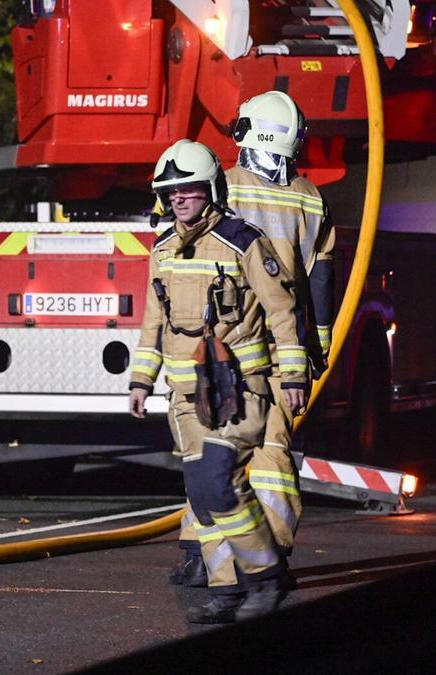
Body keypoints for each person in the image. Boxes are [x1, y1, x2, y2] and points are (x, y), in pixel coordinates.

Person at [128, 139, 308, 624]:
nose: (180, 199)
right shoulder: (163, 250)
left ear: (211, 190)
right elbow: (153, 321)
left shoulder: (244, 241)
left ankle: (264, 577)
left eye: (189, 189)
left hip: (240, 390)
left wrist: (291, 375)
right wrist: (141, 380)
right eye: (172, 192)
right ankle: (227, 590)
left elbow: (281, 310)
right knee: (203, 496)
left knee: (218, 482)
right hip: (186, 398)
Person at [172, 91, 336, 587]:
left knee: (213, 446)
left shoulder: (219, 187)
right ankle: (266, 558)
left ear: (248, 134)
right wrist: (317, 346)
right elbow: (320, 279)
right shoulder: (310, 197)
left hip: (217, 344)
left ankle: (198, 555)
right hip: (276, 346)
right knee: (270, 453)